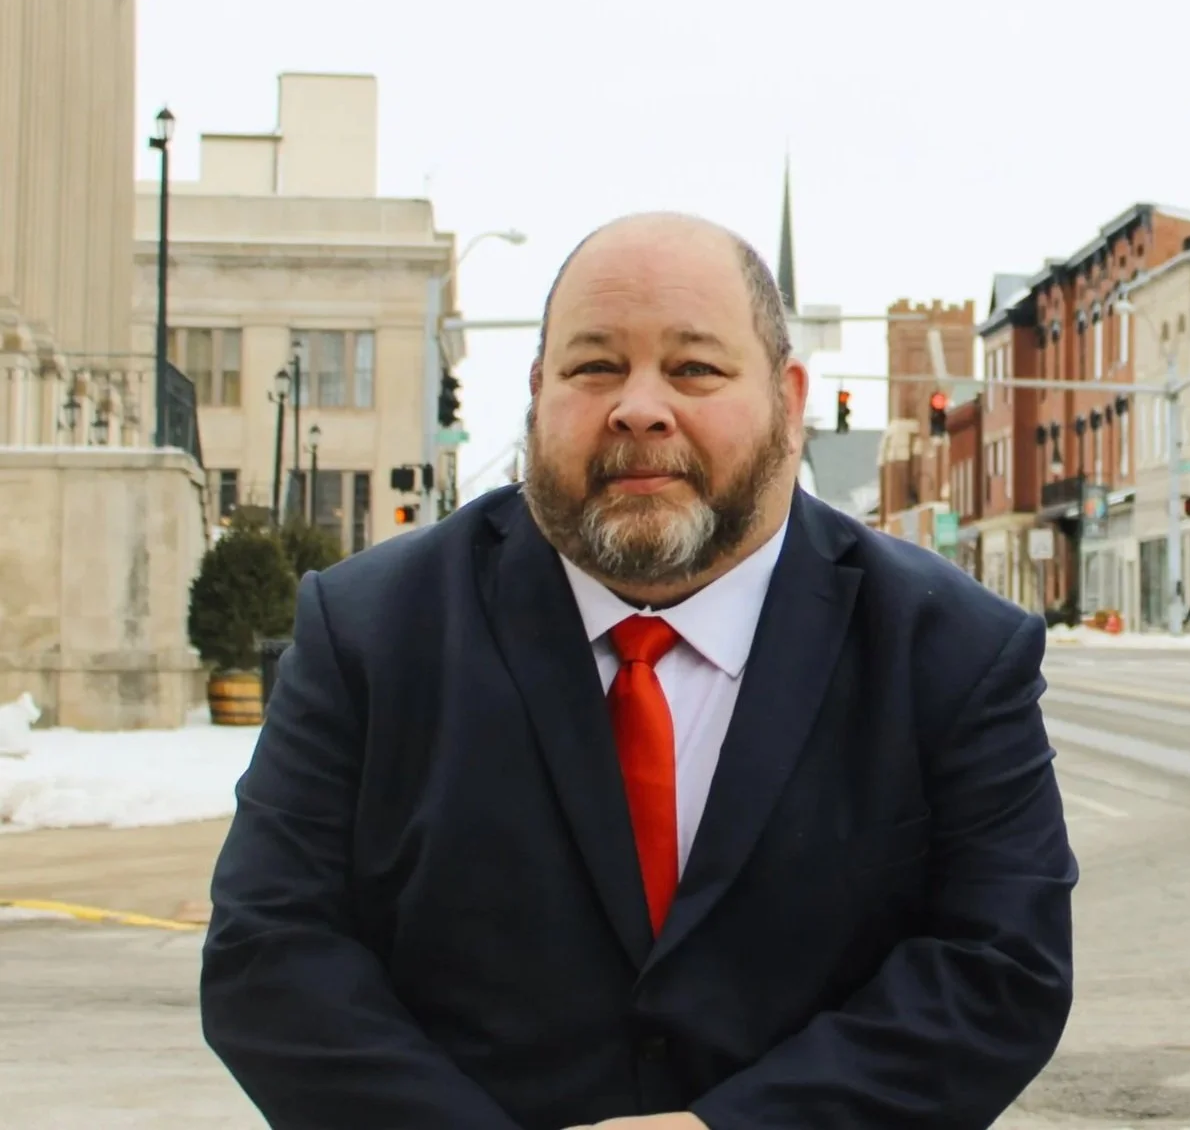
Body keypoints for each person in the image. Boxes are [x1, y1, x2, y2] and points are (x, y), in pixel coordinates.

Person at [201, 211, 1078, 1130]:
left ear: (790, 398)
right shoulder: (369, 636)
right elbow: (272, 951)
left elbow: (1000, 965)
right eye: (595, 367)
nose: (640, 406)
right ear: (540, 393)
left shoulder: (953, 652)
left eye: (695, 368)